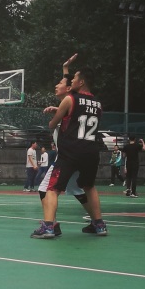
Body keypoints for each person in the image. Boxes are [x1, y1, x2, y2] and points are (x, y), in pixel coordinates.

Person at [33, 67, 107, 239]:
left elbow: (52, 124)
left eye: (74, 79)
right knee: (88, 187)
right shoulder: (98, 104)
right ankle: (99, 224)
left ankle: (49, 226)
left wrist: (59, 113)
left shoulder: (70, 99)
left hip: (71, 152)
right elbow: (81, 117)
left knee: (51, 188)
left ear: (81, 82)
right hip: (91, 151)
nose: (72, 80)